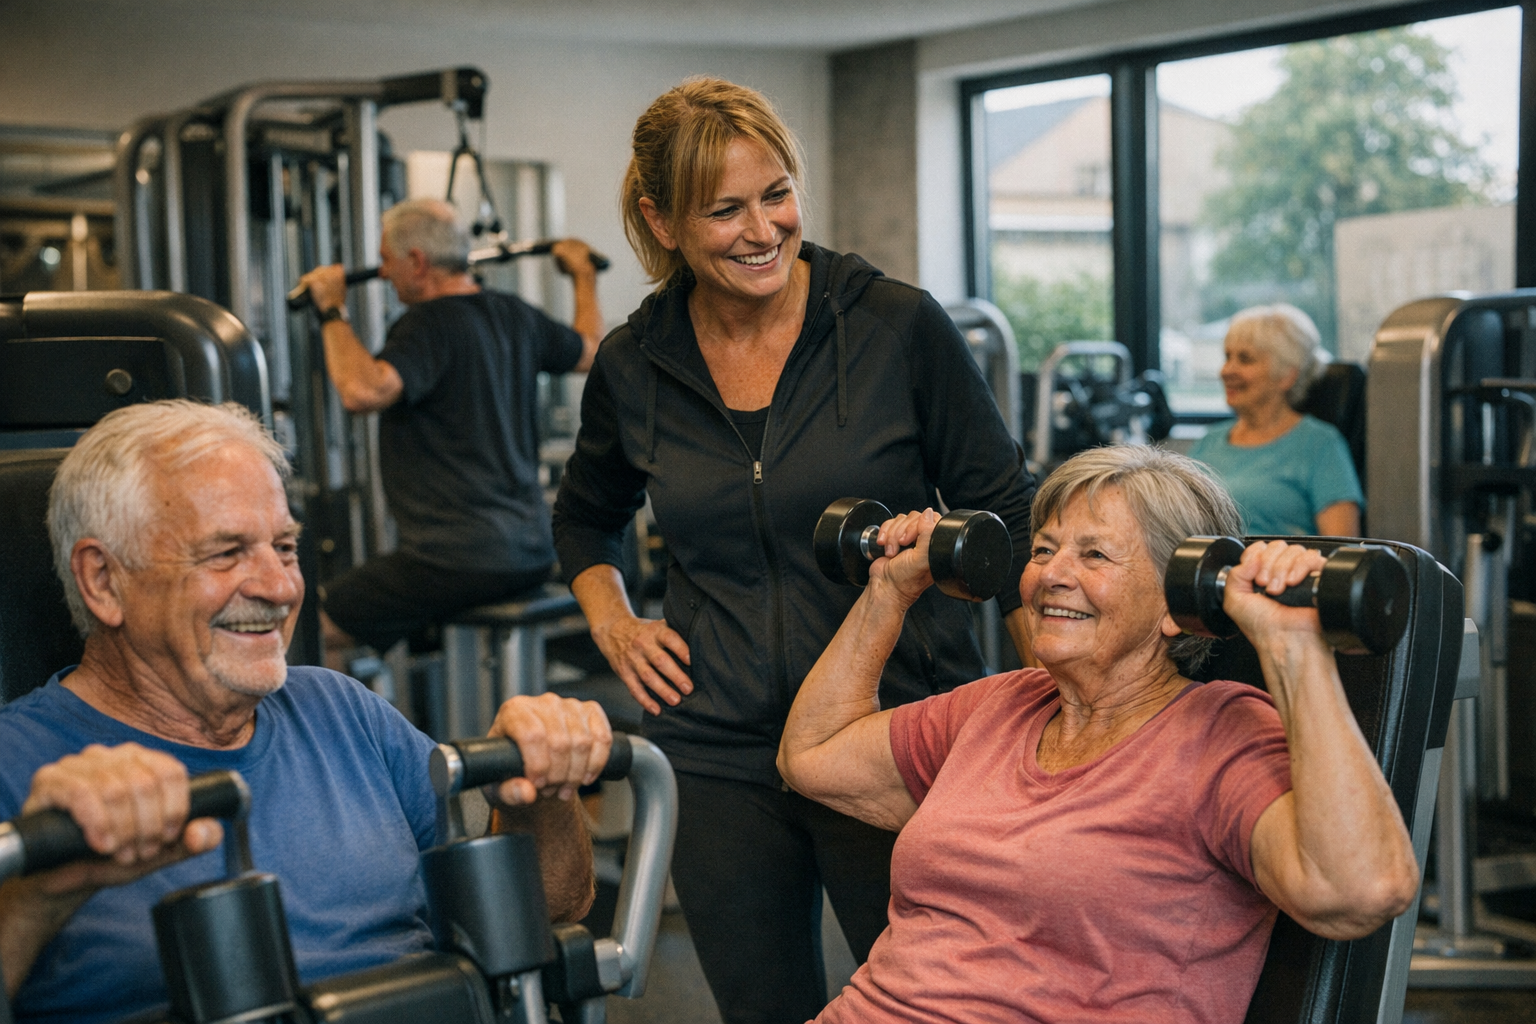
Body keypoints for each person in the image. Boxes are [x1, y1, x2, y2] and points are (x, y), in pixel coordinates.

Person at [551, 77, 1036, 1024]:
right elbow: (584, 515)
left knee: (938, 1005)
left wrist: (1051, 690)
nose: (762, 229)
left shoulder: (895, 325)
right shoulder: (635, 362)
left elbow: (1006, 511)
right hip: (718, 746)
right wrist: (614, 623)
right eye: (723, 210)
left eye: (776, 194)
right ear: (660, 220)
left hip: (893, 731)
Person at [0, 400, 612, 1024]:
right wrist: (35, 897)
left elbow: (546, 913)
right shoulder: (14, 769)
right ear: (103, 581)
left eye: (285, 547)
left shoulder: (342, 711)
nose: (280, 587)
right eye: (226, 552)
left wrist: (542, 792)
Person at [779, 445, 1418, 1023]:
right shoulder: (1001, 705)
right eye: (1043, 550)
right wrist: (888, 591)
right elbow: (811, 754)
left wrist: (1293, 648)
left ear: (1176, 604)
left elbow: (1360, 891)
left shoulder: (1222, 734)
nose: (1051, 574)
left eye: (1094, 555)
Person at [294, 198, 604, 658]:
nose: (383, 273)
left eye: (387, 260)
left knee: (305, 629)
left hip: (454, 560)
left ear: (418, 262)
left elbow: (362, 391)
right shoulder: (513, 313)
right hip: (532, 551)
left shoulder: (425, 324)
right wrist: (583, 275)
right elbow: (592, 350)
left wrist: (332, 310)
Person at [1187, 303, 1363, 536]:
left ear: (1286, 375)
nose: (1226, 371)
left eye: (1245, 359)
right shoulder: (1208, 442)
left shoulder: (1321, 446)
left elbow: (1344, 547)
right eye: (1228, 357)